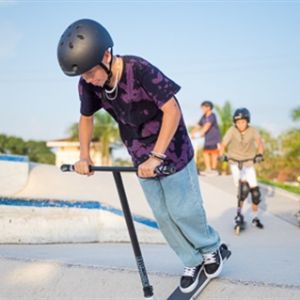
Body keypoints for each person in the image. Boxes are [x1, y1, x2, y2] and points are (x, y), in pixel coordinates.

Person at [57, 19, 226, 292]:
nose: (88, 80)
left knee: (183, 209)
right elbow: (86, 118)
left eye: (90, 73)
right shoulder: (89, 84)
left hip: (171, 146)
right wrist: (84, 156)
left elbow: (172, 110)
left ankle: (210, 248)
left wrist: (157, 156)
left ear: (106, 56)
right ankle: (191, 259)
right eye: (84, 76)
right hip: (138, 151)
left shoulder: (139, 69)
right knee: (162, 214)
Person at [219, 108, 265, 229]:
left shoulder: (253, 130)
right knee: (242, 191)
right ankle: (239, 214)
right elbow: (223, 144)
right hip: (235, 163)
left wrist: (260, 154)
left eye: (243, 122)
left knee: (255, 193)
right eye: (238, 122)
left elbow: (259, 143)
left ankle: (255, 217)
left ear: (247, 121)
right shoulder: (232, 130)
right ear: (235, 122)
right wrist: (221, 154)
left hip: (249, 163)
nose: (241, 124)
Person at [191, 101, 221, 176]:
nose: (202, 109)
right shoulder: (203, 116)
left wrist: (199, 134)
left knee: (214, 153)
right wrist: (192, 133)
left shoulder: (212, 116)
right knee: (206, 153)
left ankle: (214, 170)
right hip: (207, 139)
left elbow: (206, 127)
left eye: (203, 107)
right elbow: (198, 125)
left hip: (214, 138)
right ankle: (208, 169)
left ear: (208, 108)